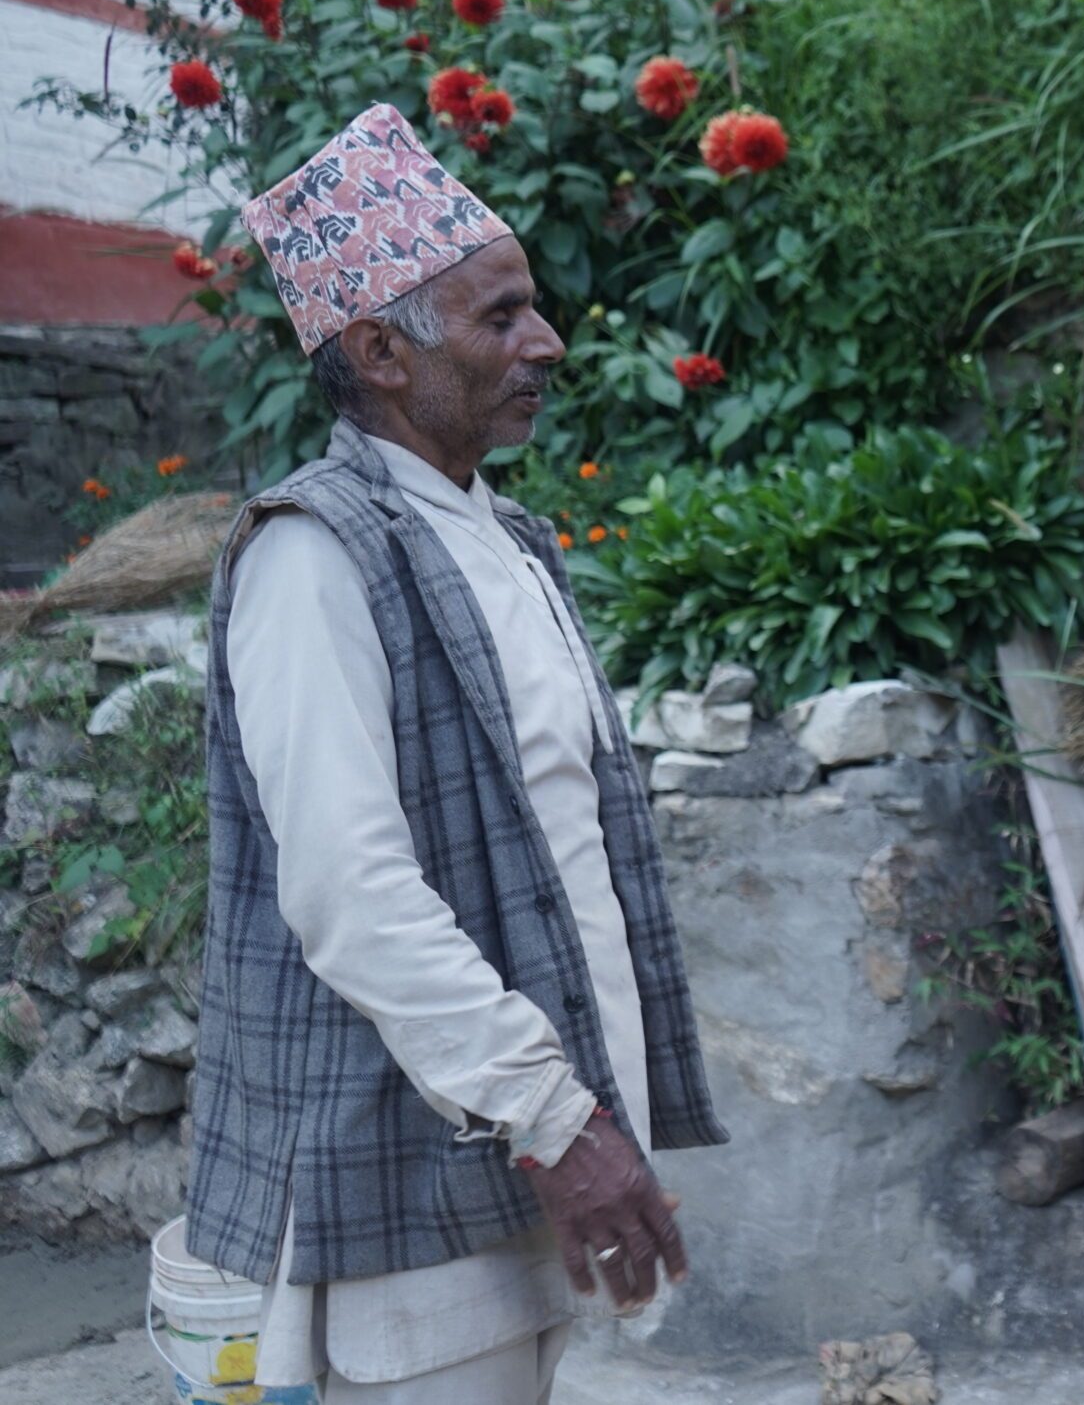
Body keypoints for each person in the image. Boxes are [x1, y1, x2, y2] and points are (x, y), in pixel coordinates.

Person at [188, 104, 726, 1402]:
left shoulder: (513, 541)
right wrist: (560, 1121)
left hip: (542, 1152)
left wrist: (584, 1120)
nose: (546, 341)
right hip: (407, 1184)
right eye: (500, 317)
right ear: (378, 349)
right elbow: (351, 895)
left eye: (532, 308)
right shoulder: (312, 554)